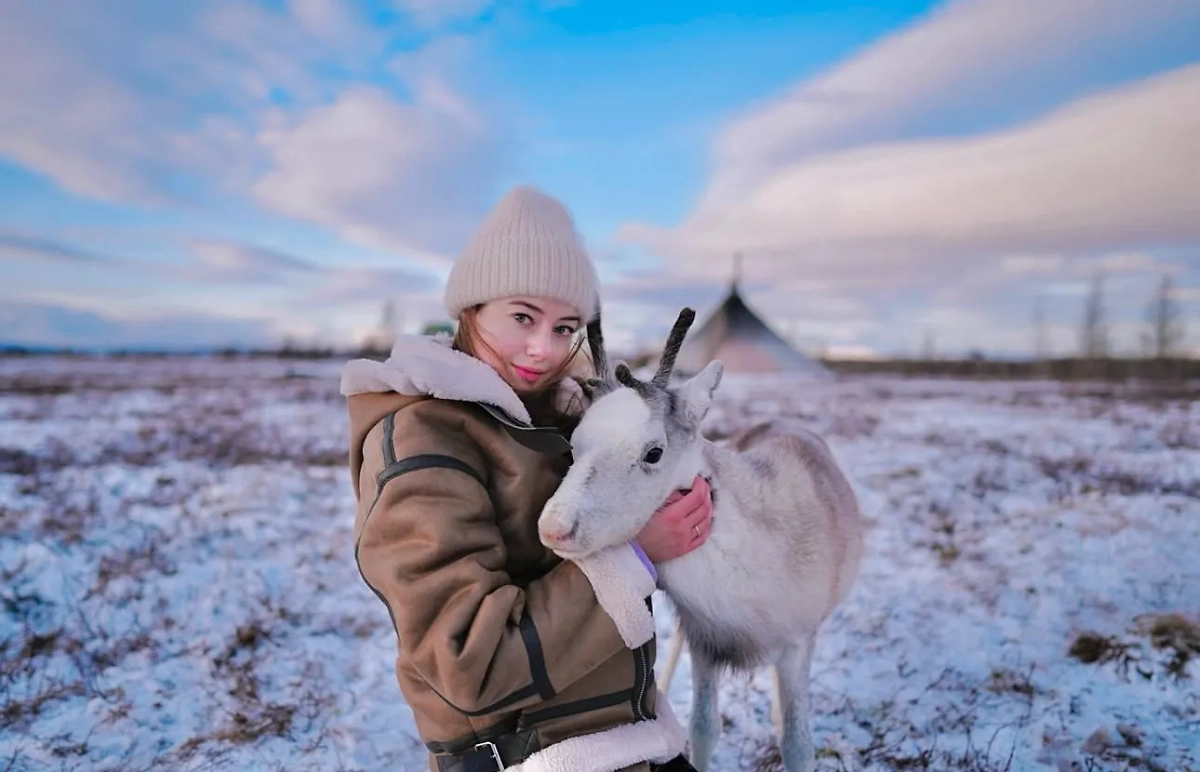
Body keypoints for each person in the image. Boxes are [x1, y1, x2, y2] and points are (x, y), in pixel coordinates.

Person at [341, 185, 714, 772]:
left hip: (630, 738)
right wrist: (636, 554)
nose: (544, 349)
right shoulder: (425, 438)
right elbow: (470, 662)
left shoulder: (561, 420)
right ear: (471, 309)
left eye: (566, 327)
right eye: (522, 317)